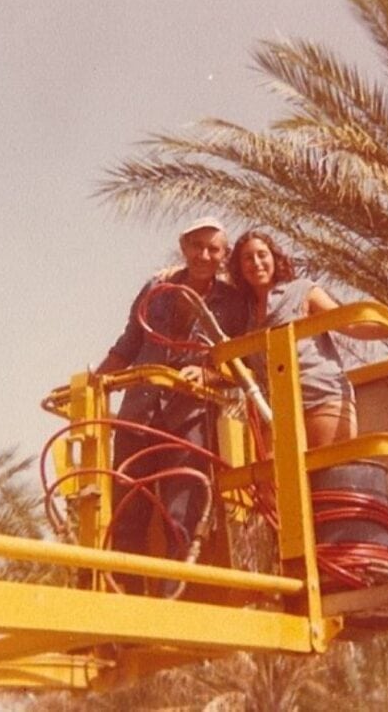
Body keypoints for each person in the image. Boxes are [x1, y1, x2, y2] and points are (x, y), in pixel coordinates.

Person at [96, 216, 246, 594]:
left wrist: (208, 376)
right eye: (197, 246)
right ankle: (126, 609)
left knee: (179, 513)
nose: (204, 255)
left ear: (224, 256)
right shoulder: (156, 289)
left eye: (214, 249)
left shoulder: (233, 303)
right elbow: (129, 343)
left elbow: (245, 364)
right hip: (139, 414)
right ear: (184, 247)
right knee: (127, 511)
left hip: (190, 418)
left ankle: (168, 605)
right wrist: (95, 384)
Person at [228, 230, 388, 448]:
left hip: (321, 399)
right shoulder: (244, 315)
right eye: (248, 258)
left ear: (274, 258)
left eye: (262, 254)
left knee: (328, 477)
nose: (256, 262)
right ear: (239, 268)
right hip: (279, 412)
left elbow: (351, 324)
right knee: (277, 480)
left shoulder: (302, 291)